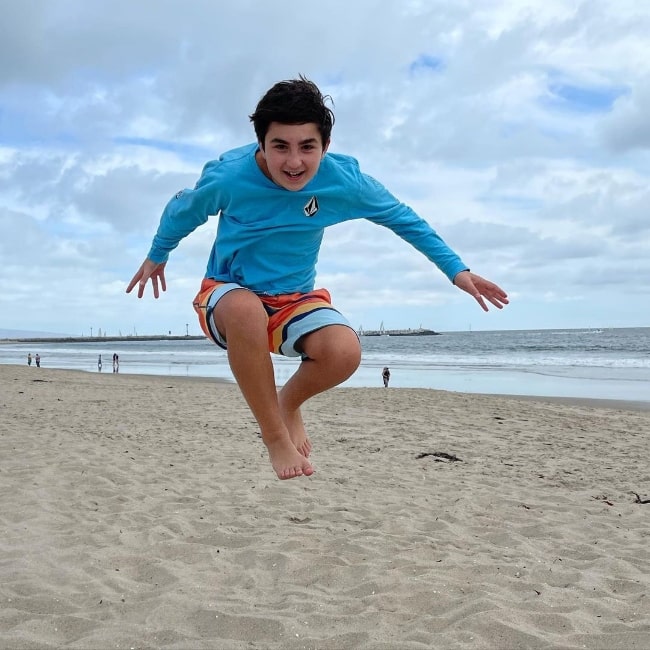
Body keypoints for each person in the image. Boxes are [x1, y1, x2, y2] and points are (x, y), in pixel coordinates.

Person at [127, 76, 508, 481]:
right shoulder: (229, 178)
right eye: (280, 147)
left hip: (295, 300)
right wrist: (157, 254)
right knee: (245, 308)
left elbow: (403, 218)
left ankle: (288, 403)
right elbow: (182, 211)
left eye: (307, 147)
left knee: (345, 352)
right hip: (228, 294)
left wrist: (456, 270)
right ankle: (275, 436)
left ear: (325, 146)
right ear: (262, 144)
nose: (294, 162)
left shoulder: (344, 181)